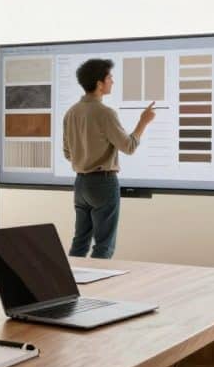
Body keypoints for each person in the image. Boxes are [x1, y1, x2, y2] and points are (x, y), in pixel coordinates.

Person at [62, 58, 156, 259]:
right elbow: (129, 147)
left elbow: (68, 153)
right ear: (99, 83)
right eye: (110, 77)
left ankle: (70, 284)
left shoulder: (71, 112)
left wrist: (85, 155)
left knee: (79, 243)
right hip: (103, 183)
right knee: (104, 246)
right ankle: (97, 286)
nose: (112, 81)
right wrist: (143, 122)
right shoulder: (105, 113)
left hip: (80, 184)